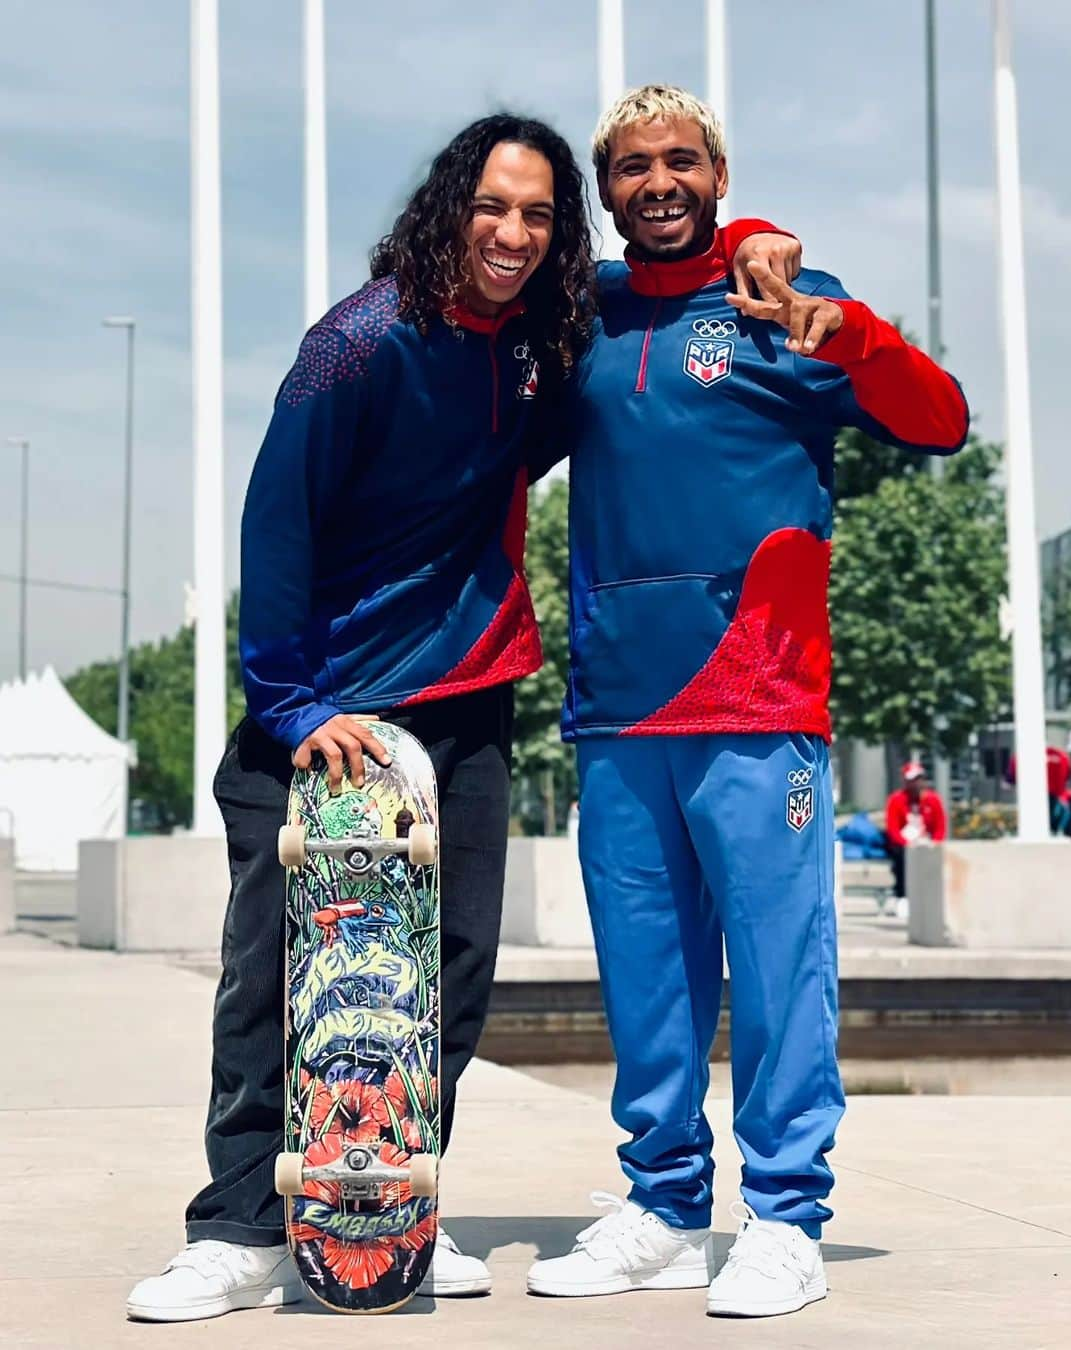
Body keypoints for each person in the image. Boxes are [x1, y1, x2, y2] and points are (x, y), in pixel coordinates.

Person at [125, 110, 790, 1323]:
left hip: (467, 697)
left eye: (539, 215)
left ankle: (393, 1206)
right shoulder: (357, 343)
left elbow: (666, 252)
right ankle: (237, 1228)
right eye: (494, 206)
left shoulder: (543, 340)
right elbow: (277, 523)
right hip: (327, 706)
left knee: (449, 976)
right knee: (278, 976)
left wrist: (752, 237)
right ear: (452, 205)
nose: (514, 232)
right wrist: (288, 701)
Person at [525, 85, 969, 1319]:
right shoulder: (588, 320)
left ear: (718, 175)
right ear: (605, 193)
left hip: (758, 699)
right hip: (618, 707)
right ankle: (663, 1208)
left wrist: (847, 328)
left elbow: (943, 424)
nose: (656, 182)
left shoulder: (785, 307)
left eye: (680, 161)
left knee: (780, 974)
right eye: (630, 168)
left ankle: (783, 1219)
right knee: (646, 982)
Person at [884, 761, 947, 917]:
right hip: (904, 846)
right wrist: (908, 844)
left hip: (926, 842)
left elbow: (940, 827)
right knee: (902, 860)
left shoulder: (933, 800)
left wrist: (934, 843)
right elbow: (893, 830)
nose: (917, 783)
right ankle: (903, 896)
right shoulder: (896, 800)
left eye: (919, 778)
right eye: (913, 779)